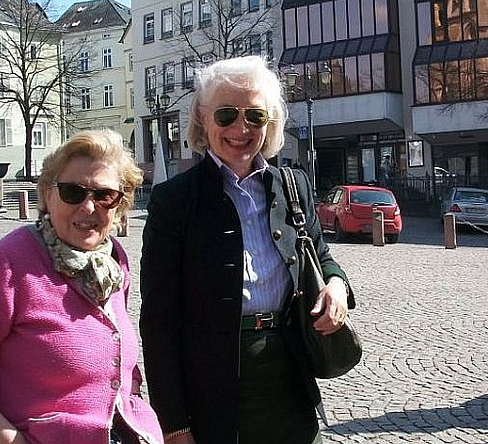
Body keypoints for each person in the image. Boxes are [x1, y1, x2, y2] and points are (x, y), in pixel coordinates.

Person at [139, 55, 354, 444]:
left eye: (255, 116)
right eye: (226, 115)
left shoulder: (292, 186)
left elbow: (321, 256)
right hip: (213, 383)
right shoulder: (174, 200)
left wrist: (337, 286)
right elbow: (158, 323)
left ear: (269, 121)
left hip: (290, 375)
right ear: (203, 118)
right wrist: (175, 425)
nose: (241, 128)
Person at [0, 130, 164, 444]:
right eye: (73, 192)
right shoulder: (4, 265)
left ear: (120, 204)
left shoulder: (113, 262)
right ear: (48, 195)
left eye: (104, 195)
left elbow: (119, 357)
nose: (88, 207)